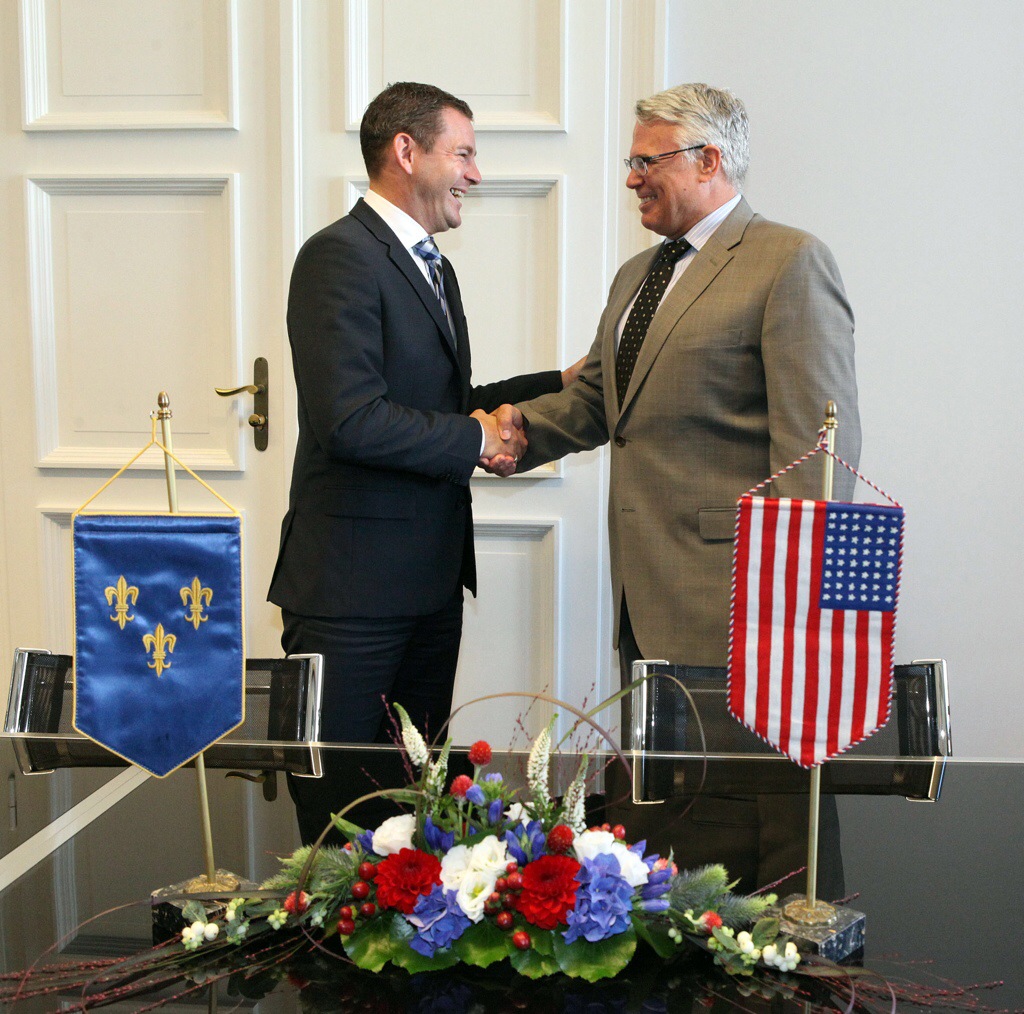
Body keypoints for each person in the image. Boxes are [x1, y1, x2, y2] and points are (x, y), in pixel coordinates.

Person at [493, 83, 860, 894]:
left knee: (760, 827)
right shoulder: (635, 278)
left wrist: (796, 611)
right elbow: (599, 406)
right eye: (631, 162)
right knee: (680, 819)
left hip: (744, 606)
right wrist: (500, 436)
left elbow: (819, 453)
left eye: (645, 161)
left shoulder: (789, 260)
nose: (631, 178)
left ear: (709, 159)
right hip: (648, 595)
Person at [268, 81, 582, 844]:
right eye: (464, 153)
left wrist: (566, 386)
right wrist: (480, 441)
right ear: (405, 152)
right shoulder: (337, 257)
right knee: (343, 818)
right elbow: (350, 420)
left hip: (427, 585)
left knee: (414, 807)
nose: (476, 173)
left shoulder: (430, 264)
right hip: (351, 596)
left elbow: (446, 400)